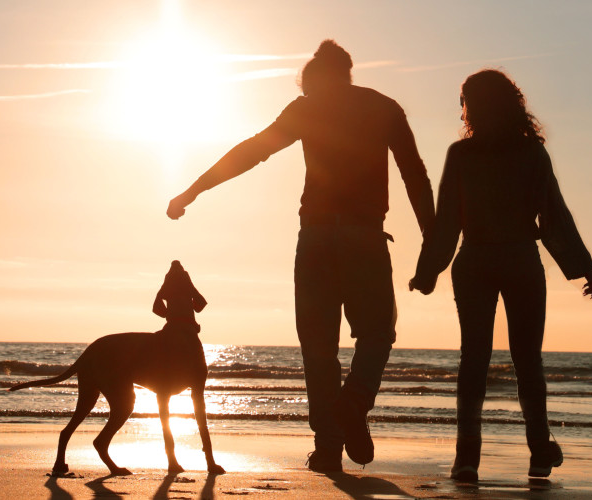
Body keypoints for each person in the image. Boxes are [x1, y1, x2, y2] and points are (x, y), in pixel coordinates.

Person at [167, 40, 435, 472]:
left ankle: (329, 445)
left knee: (318, 349)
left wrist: (192, 190)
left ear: (314, 79)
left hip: (315, 239)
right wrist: (433, 242)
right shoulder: (384, 107)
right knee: (377, 334)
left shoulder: (307, 107)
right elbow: (414, 173)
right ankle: (354, 403)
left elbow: (251, 152)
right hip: (364, 237)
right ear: (347, 72)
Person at [408, 69, 592, 481]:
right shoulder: (531, 153)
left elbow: (446, 221)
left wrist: (427, 272)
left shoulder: (461, 155)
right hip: (519, 260)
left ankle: (466, 460)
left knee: (473, 360)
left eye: (465, 100)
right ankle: (538, 451)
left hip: (475, 260)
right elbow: (554, 217)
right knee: (527, 360)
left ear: (473, 106)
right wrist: (584, 266)